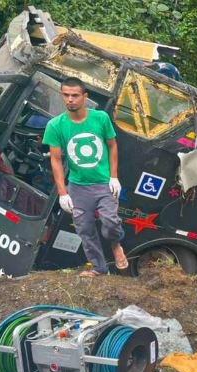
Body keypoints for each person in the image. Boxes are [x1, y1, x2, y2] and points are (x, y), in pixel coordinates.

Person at [45, 77, 128, 277]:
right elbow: (55, 160)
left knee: (110, 224)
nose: (70, 99)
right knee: (85, 230)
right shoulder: (55, 125)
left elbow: (112, 145)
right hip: (78, 187)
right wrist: (63, 193)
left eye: (75, 95)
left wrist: (114, 176)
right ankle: (100, 268)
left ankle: (116, 244)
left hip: (103, 183)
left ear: (85, 96)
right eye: (66, 95)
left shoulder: (100, 118)